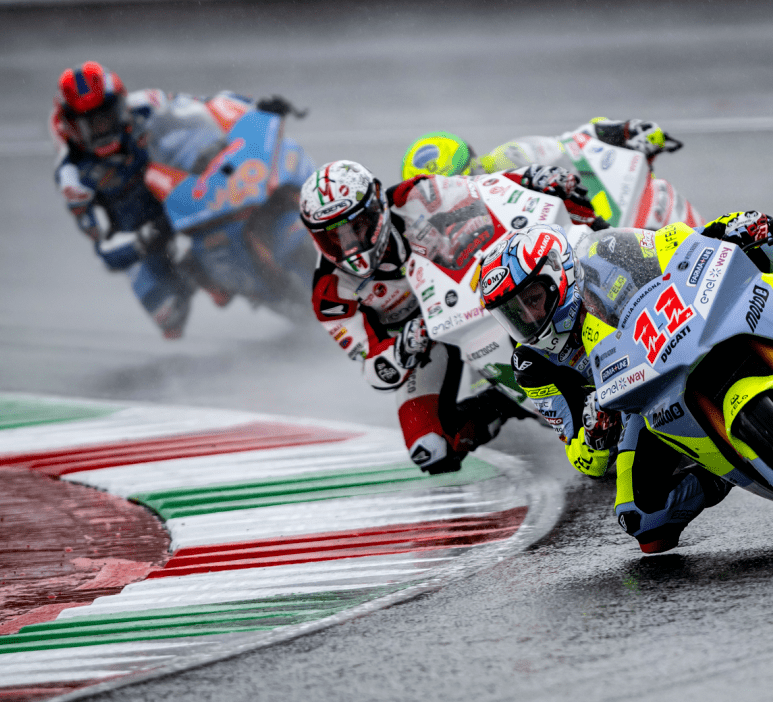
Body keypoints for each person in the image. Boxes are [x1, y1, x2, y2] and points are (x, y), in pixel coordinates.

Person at [477, 214, 773, 553]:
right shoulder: (532, 366)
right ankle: (718, 469)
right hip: (640, 401)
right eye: (513, 313)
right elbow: (582, 459)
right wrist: (594, 435)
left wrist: (735, 226)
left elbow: (677, 241)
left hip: (687, 326)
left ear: (559, 275)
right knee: (643, 522)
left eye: (533, 299)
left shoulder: (604, 253)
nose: (529, 319)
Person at [298, 159, 603, 473]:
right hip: (423, 346)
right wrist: (403, 348)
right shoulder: (330, 292)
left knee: (524, 297)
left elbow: (483, 188)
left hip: (463, 299)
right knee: (430, 449)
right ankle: (502, 401)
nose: (350, 245)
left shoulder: (412, 196)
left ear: (376, 206)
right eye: (334, 237)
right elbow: (375, 368)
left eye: (357, 226)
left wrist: (530, 177)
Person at [51, 61, 309, 338]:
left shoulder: (147, 104)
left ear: (121, 105)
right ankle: (199, 274)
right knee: (168, 313)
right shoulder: (72, 176)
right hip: (141, 226)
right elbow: (102, 242)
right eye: (90, 123)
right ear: (72, 125)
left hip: (177, 186)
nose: (102, 128)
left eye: (106, 116)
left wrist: (253, 108)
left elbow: (205, 108)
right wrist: (141, 240)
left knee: (245, 168)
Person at [400, 118, 704, 230]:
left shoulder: (507, 158)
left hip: (569, 236)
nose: (460, 194)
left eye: (467, 176)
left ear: (476, 161)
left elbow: (568, 144)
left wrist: (619, 131)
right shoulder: (434, 236)